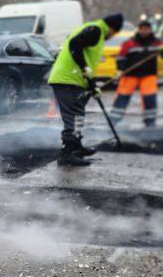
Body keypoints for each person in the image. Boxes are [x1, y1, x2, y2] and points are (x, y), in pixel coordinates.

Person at [47, 13, 125, 167]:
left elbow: (87, 59)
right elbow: (74, 45)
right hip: (67, 79)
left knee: (79, 115)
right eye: (115, 33)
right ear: (112, 28)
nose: (112, 36)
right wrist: (84, 68)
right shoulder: (95, 30)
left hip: (75, 79)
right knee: (72, 117)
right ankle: (67, 153)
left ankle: (76, 146)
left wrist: (92, 86)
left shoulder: (94, 30)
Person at [110, 21, 163, 127]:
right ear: (139, 29)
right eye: (142, 28)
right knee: (122, 96)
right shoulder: (129, 43)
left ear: (150, 30)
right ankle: (113, 121)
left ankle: (150, 122)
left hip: (148, 75)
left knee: (149, 97)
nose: (144, 31)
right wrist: (121, 69)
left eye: (146, 28)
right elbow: (121, 57)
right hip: (130, 74)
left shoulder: (157, 43)